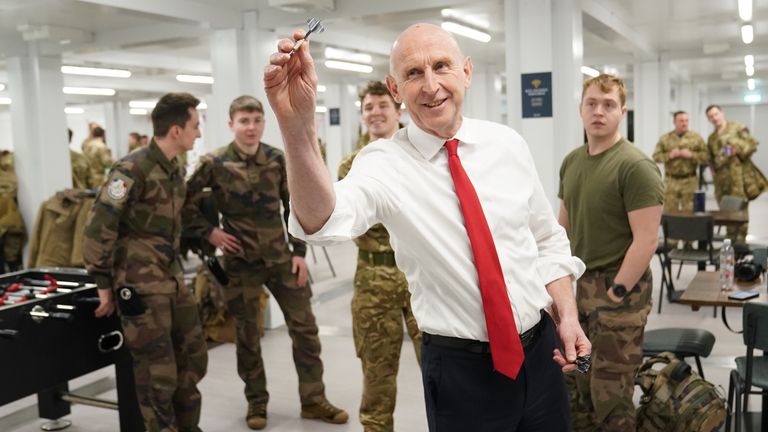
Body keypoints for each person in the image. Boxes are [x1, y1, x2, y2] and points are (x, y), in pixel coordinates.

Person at [264, 23, 590, 432]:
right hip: (462, 372)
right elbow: (320, 220)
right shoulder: (383, 163)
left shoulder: (506, 145)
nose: (431, 85)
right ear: (395, 88)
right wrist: (297, 128)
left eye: (441, 66)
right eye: (413, 73)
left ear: (466, 72)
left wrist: (568, 315)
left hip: (542, 354)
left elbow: (546, 241)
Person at [183, 95, 348, 430]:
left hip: (281, 260)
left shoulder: (276, 159)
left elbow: (297, 208)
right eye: (244, 121)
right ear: (231, 124)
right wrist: (210, 233)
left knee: (305, 330)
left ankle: (314, 400)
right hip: (240, 263)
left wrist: (300, 254)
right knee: (247, 336)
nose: (251, 128)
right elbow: (182, 203)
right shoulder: (213, 163)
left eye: (257, 121)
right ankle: (256, 403)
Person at [83, 92, 208, 432]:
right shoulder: (130, 169)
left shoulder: (174, 170)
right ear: (176, 130)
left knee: (191, 359)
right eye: (195, 126)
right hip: (139, 285)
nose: (199, 133)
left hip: (171, 279)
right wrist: (104, 285)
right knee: (157, 372)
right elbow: (98, 227)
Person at [558, 74, 663, 431]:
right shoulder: (572, 162)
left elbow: (646, 240)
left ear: (622, 112)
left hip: (619, 293)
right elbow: (562, 229)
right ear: (581, 109)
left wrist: (616, 292)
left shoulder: (636, 166)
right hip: (582, 291)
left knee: (611, 392)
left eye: (608, 105)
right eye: (592, 103)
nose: (598, 112)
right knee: (582, 382)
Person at [337, 81, 420, 432]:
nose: (375, 112)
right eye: (368, 107)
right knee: (377, 371)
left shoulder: (421, 156)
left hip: (421, 277)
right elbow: (352, 226)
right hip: (374, 280)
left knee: (442, 367)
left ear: (398, 110)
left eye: (382, 105)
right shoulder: (351, 166)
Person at [705, 104, 765, 241]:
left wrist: (737, 149)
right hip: (721, 182)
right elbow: (710, 159)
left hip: (737, 178)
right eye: (710, 116)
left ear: (722, 113)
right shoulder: (712, 137)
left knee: (739, 211)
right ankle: (730, 243)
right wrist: (713, 172)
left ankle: (740, 244)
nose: (714, 118)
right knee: (725, 212)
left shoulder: (737, 127)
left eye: (716, 114)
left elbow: (751, 145)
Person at [652, 111, 708, 213]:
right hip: (671, 181)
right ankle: (672, 230)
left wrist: (691, 155)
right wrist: (670, 155)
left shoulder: (696, 138)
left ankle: (688, 229)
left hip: (689, 180)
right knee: (670, 212)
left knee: (690, 211)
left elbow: (705, 157)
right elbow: (656, 157)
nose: (684, 123)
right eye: (681, 120)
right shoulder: (665, 138)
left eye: (686, 120)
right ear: (674, 122)